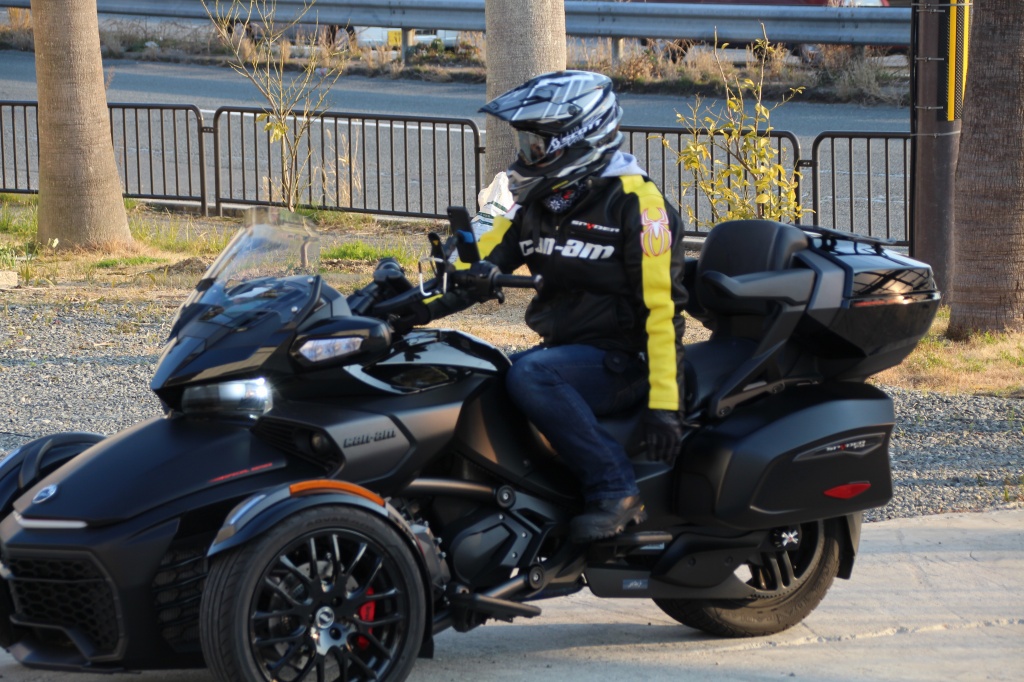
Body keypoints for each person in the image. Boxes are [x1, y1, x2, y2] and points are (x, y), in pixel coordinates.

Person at [429, 70, 688, 543]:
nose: (524, 156)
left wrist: (665, 405)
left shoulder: (639, 205)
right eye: (524, 144)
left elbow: (663, 311)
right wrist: (403, 303)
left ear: (578, 140)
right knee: (475, 371)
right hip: (568, 352)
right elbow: (480, 260)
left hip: (626, 360)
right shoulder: (542, 202)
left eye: (536, 145)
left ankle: (616, 489)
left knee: (530, 375)